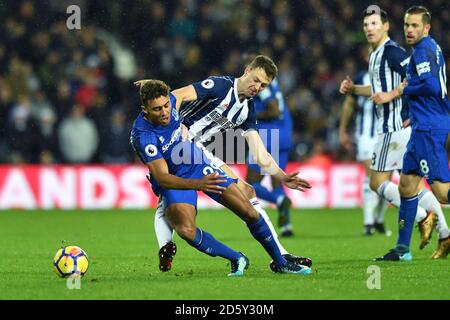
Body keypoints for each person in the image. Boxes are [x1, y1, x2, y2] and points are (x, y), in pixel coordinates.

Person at [136, 55, 313, 273]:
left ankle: (281, 256)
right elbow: (178, 95)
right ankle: (279, 256)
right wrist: (176, 123)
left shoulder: (247, 109)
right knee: (172, 202)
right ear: (247, 70)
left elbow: (260, 152)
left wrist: (281, 176)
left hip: (198, 152)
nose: (258, 87)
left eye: (264, 85)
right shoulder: (220, 86)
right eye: (256, 80)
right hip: (181, 146)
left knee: (246, 192)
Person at [339, 7, 448, 253]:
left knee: (378, 182)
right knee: (413, 185)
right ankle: (441, 233)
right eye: (366, 24)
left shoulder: (392, 52)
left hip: (394, 127)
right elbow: (380, 88)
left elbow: (412, 80)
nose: (369, 28)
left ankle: (422, 218)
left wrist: (402, 104)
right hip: (403, 127)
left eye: (375, 23)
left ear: (386, 26)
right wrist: (355, 89)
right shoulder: (376, 54)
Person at [374, 6, 450, 261]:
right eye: (407, 25)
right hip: (421, 125)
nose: (409, 30)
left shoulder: (424, 49)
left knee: (441, 193)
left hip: (429, 128)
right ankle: (402, 250)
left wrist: (405, 89)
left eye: (415, 26)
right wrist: (411, 111)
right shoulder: (426, 49)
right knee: (406, 186)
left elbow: (430, 84)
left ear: (426, 28)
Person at [339, 64, 389, 236]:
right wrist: (343, 129)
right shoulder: (361, 77)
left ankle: (379, 219)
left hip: (388, 133)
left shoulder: (392, 75)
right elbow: (349, 104)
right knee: (371, 176)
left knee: (385, 178)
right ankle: (368, 222)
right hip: (366, 136)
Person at [246, 76, 295, 237]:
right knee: (277, 182)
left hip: (268, 134)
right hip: (285, 133)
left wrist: (249, 115)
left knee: (251, 184)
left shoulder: (259, 84)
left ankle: (278, 201)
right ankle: (286, 226)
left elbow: (274, 110)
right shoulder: (274, 83)